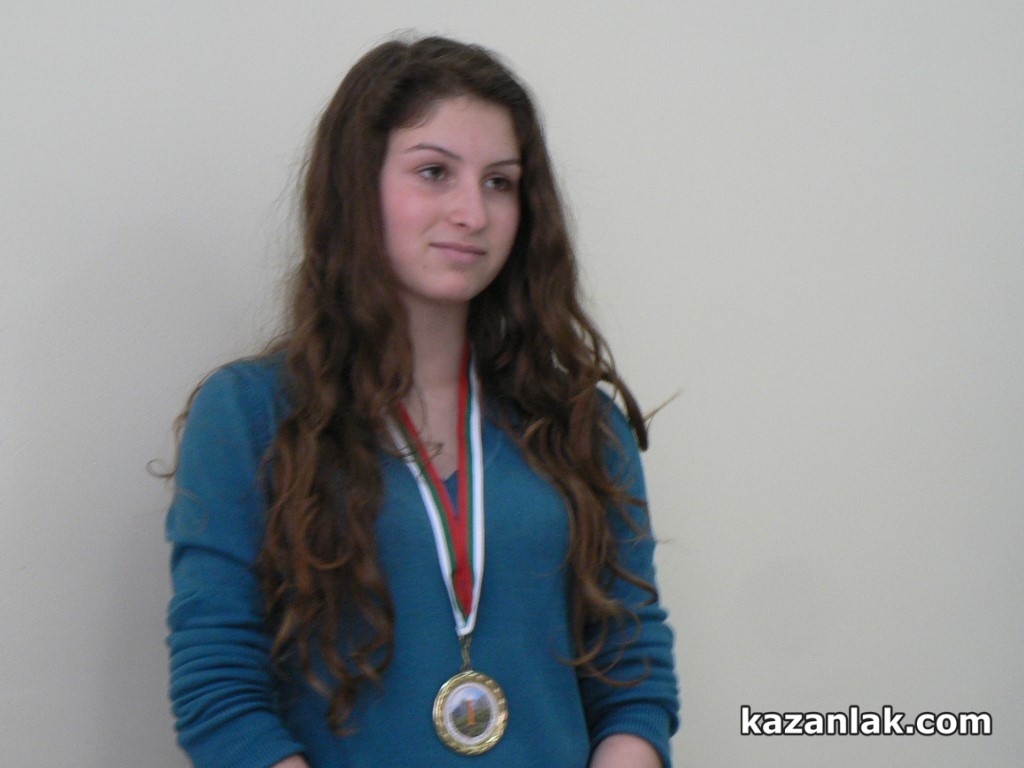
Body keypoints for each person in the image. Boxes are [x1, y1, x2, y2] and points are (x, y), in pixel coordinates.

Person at [166, 35, 678, 768]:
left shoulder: (579, 423)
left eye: (500, 182)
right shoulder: (249, 415)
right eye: (434, 172)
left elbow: (633, 672)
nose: (473, 211)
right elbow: (219, 692)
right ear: (357, 187)